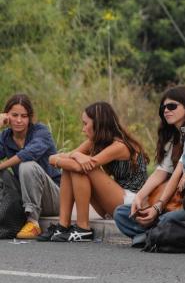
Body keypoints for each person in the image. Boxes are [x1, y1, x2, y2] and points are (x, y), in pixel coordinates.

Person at [45, 102, 148, 242]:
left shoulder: (120, 146)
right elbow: (67, 157)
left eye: (85, 124)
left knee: (82, 168)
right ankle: (63, 226)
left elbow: (82, 166)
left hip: (131, 203)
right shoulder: (96, 142)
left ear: (98, 124)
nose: (83, 129)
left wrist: (65, 157)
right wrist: (58, 157)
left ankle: (83, 228)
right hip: (112, 202)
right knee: (72, 167)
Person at [113, 86, 185, 244]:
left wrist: (158, 206)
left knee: (166, 219)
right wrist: (139, 197)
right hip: (170, 202)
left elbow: (176, 175)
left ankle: (153, 234)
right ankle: (155, 234)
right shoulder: (174, 137)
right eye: (163, 108)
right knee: (121, 213)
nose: (166, 110)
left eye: (172, 106)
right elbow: (160, 173)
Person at [0, 94, 61, 239]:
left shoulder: (41, 131)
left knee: (27, 165)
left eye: (24, 116)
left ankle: (33, 222)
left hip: (53, 198)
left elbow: (28, 154)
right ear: (7, 116)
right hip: (25, 195)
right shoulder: (5, 136)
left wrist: (2, 165)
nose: (19, 120)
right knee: (2, 174)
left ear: (30, 117)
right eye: (14, 115)